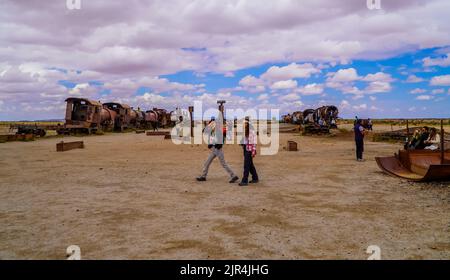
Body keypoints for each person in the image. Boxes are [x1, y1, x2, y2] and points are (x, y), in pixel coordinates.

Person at [196, 117, 239, 183]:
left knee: (223, 164)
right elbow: (204, 131)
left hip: (217, 149)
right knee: (207, 163)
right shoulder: (213, 129)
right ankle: (203, 176)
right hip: (214, 149)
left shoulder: (220, 129)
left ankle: (233, 175)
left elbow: (223, 136)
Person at [239, 120, 259, 186]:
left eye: (245, 123)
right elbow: (245, 140)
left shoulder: (251, 132)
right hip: (246, 148)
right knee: (250, 165)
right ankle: (255, 178)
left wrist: (253, 151)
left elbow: (254, 143)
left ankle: (245, 180)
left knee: (246, 165)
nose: (243, 125)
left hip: (249, 150)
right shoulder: (246, 131)